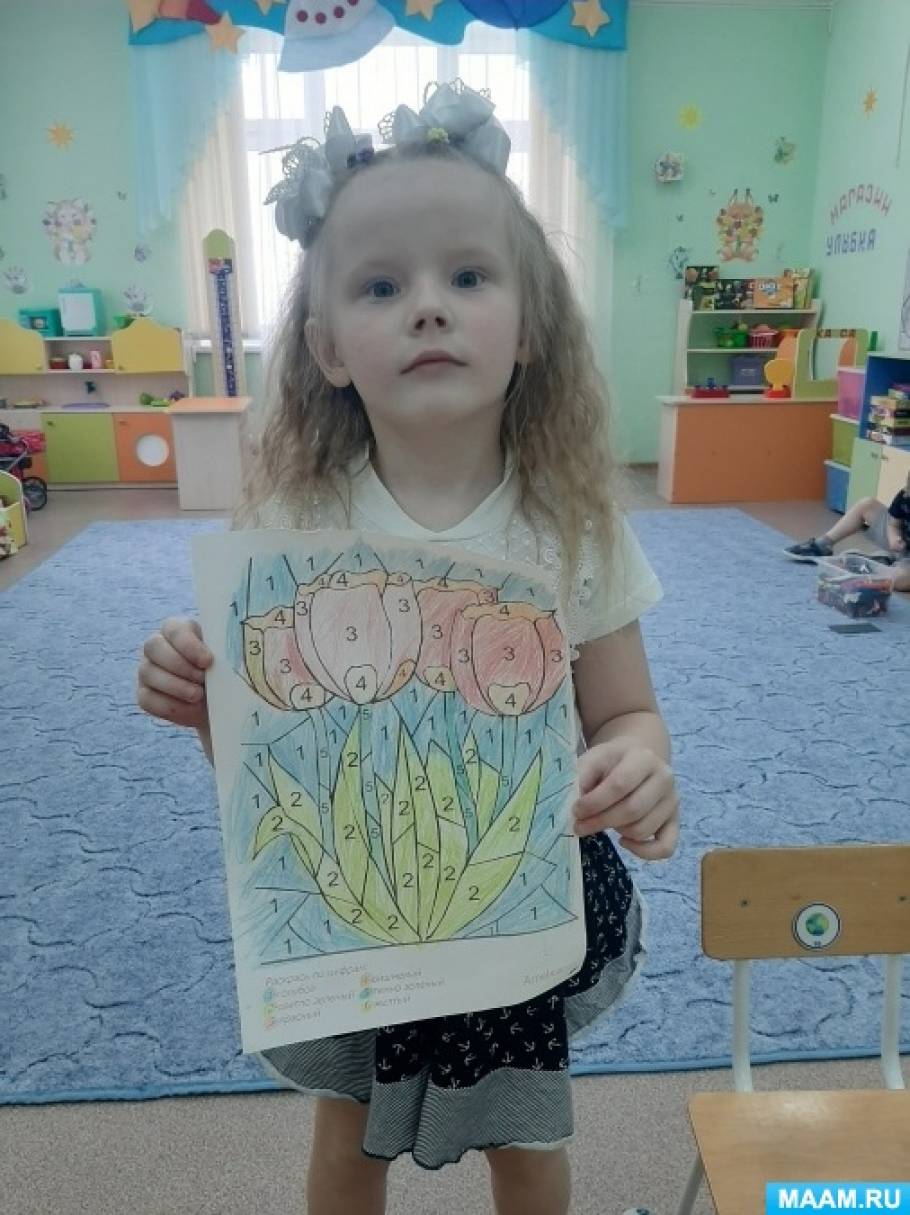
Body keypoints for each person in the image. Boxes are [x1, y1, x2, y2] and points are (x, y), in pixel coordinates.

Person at [136, 83, 679, 1215]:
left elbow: (627, 711)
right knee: (348, 1140)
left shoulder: (574, 529)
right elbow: (265, 773)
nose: (428, 307)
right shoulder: (291, 533)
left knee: (525, 1140)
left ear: (530, 326)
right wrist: (204, 704)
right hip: (356, 906)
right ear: (327, 348)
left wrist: (635, 764)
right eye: (382, 287)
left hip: (522, 895)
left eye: (467, 277)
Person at [783, 472, 910, 591]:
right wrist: (893, 537)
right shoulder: (905, 495)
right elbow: (893, 524)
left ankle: (879, 564)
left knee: (899, 580)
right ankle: (823, 544)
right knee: (867, 505)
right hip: (901, 541)